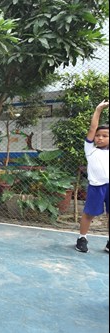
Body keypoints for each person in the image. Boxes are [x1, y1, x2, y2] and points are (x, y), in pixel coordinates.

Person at [75, 100, 109, 253]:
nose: (100, 138)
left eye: (105, 136)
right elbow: (92, 127)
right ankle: (82, 238)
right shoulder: (90, 149)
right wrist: (98, 109)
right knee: (88, 214)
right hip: (96, 187)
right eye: (98, 136)